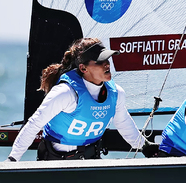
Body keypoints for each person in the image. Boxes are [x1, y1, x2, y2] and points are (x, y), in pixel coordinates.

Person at [5, 38, 145, 161]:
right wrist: (12, 159)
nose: (107, 64)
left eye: (107, 59)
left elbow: (124, 124)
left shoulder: (116, 93)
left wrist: (145, 148)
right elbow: (34, 125)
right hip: (55, 160)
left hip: (90, 158)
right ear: (83, 68)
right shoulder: (65, 93)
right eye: (100, 61)